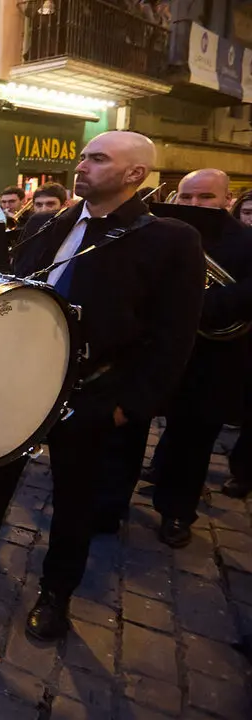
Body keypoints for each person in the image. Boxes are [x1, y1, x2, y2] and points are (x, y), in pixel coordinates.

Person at [0, 131, 206, 641]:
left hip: (92, 391)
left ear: (135, 174)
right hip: (20, 377)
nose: (81, 165)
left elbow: (175, 336)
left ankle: (56, 595)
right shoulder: (49, 222)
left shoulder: (169, 239)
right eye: (84, 155)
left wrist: (128, 406)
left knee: (74, 499)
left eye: (98, 159)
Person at [150, 168, 252, 545]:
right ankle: (109, 503)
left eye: (206, 197)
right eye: (187, 197)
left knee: (192, 440)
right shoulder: (159, 232)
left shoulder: (245, 241)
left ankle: (177, 513)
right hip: (157, 349)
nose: (195, 204)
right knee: (126, 432)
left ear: (227, 200)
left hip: (212, 356)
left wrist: (192, 305)